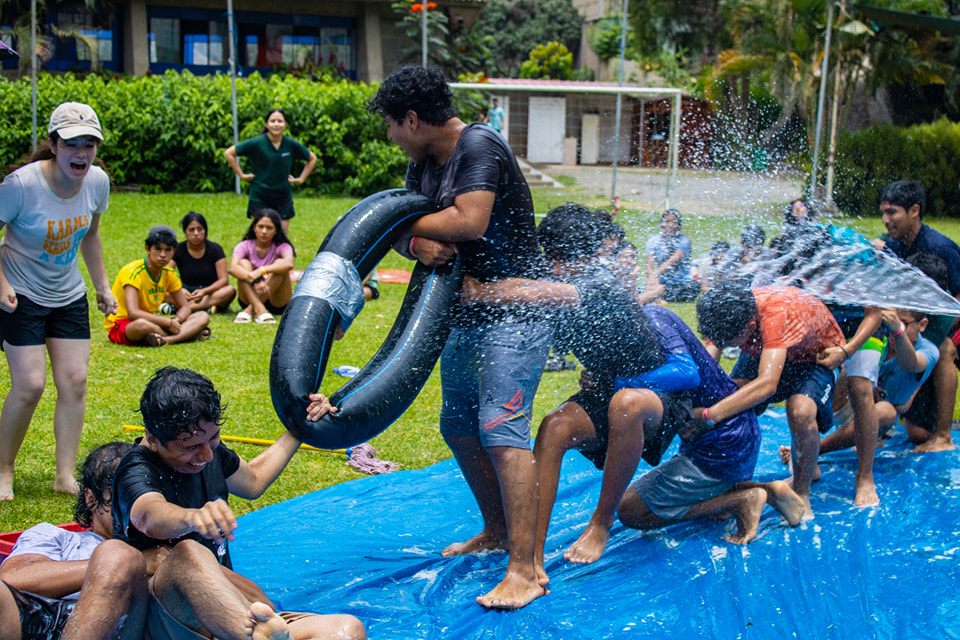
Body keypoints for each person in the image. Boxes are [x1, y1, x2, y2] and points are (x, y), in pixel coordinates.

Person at [461, 206, 803, 583]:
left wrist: (482, 292)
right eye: (555, 259)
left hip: (692, 420)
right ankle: (529, 560)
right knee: (554, 426)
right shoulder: (586, 288)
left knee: (627, 422)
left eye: (569, 260)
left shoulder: (608, 288)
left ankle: (602, 522)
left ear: (591, 256)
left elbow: (691, 372)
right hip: (661, 412)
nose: (624, 268)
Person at [367, 65, 551, 609]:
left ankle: (526, 570)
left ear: (412, 119)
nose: (390, 136)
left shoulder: (478, 146)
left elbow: (469, 221)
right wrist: (413, 244)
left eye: (391, 125)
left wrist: (407, 230)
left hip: (516, 309)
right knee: (459, 426)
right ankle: (497, 531)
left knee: (501, 428)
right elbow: (402, 224)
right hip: (465, 309)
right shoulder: (422, 163)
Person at [112, 366, 366, 640]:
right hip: (165, 621)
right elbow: (149, 515)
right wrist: (192, 517)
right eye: (190, 447)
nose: (206, 456)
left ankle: (260, 634)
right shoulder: (136, 469)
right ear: (152, 439)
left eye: (213, 438)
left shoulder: (207, 451)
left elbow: (254, 480)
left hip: (227, 616)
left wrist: (301, 426)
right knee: (189, 553)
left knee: (346, 630)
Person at [0, 102, 118, 500]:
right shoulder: (21, 185)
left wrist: (102, 286)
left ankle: (65, 476)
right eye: (71, 144)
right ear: (53, 145)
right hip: (20, 291)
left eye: (89, 144)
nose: (81, 153)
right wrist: (1, 284)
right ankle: (3, 468)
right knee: (30, 385)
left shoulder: (97, 182)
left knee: (75, 381)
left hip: (67, 293)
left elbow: (90, 235)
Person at [696, 282, 846, 518]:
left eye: (728, 342)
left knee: (800, 411)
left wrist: (709, 415)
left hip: (816, 355)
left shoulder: (774, 314)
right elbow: (707, 372)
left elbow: (767, 384)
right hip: (776, 348)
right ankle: (728, 488)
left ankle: (801, 493)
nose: (722, 346)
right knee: (729, 399)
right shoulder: (726, 312)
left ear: (749, 327)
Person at [0, 441, 149, 640]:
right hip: (36, 623)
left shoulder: (163, 550)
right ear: (91, 498)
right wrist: (114, 566)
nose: (135, 509)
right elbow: (13, 578)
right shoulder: (55, 536)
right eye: (123, 498)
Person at [782, 306, 939, 467]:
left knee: (887, 411)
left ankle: (812, 450)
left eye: (902, 324)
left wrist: (898, 331)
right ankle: (805, 437)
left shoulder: (929, 351)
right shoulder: (879, 336)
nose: (891, 329)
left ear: (922, 325)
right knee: (850, 371)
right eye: (888, 322)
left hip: (882, 423)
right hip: (852, 405)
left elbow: (910, 364)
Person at [878, 179, 960, 453]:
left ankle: (944, 435)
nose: (885, 220)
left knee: (944, 349)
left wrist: (929, 337)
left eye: (892, 212)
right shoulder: (893, 246)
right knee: (916, 433)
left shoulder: (941, 248)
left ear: (914, 211)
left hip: (950, 322)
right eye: (883, 212)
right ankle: (881, 422)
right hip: (920, 323)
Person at [105, 226, 211, 347]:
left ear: (174, 251)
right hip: (123, 324)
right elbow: (133, 313)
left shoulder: (168, 274)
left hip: (153, 321)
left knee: (202, 316)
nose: (162, 255)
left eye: (168, 250)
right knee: (141, 325)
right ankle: (188, 334)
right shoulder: (132, 272)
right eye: (158, 249)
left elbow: (185, 307)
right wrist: (167, 323)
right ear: (147, 249)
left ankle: (167, 339)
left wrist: (176, 321)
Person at [224, 108, 317, 235]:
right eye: (272, 121)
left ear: (285, 124)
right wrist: (242, 175)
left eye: (280, 121)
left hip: (283, 197)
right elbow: (229, 153)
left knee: (281, 238)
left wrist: (301, 179)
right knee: (261, 236)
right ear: (266, 124)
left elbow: (312, 158)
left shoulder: (290, 144)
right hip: (260, 195)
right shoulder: (257, 142)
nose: (276, 124)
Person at [228, 208, 295, 324]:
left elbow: (289, 263)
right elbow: (232, 268)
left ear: (276, 230)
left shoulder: (282, 246)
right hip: (249, 295)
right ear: (254, 227)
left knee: (280, 264)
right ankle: (259, 308)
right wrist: (254, 279)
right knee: (243, 264)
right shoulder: (244, 245)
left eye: (269, 228)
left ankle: (251, 309)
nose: (264, 231)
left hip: (276, 300)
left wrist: (261, 271)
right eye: (260, 227)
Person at [168, 211, 236, 314]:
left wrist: (204, 291)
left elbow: (223, 280)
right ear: (185, 233)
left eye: (199, 229)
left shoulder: (215, 249)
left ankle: (184, 308)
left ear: (205, 231)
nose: (196, 233)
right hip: (186, 292)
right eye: (191, 230)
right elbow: (166, 274)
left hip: (210, 292)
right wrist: (180, 289)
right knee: (161, 291)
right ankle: (204, 307)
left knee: (230, 291)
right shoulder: (178, 249)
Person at [645, 209, 699, 302]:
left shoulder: (683, 241)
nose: (670, 225)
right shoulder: (653, 241)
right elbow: (649, 265)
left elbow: (672, 261)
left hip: (682, 283)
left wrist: (654, 275)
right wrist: (652, 278)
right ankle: (656, 295)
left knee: (694, 287)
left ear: (678, 226)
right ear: (661, 224)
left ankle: (656, 296)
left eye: (674, 222)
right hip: (662, 282)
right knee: (650, 287)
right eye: (667, 222)